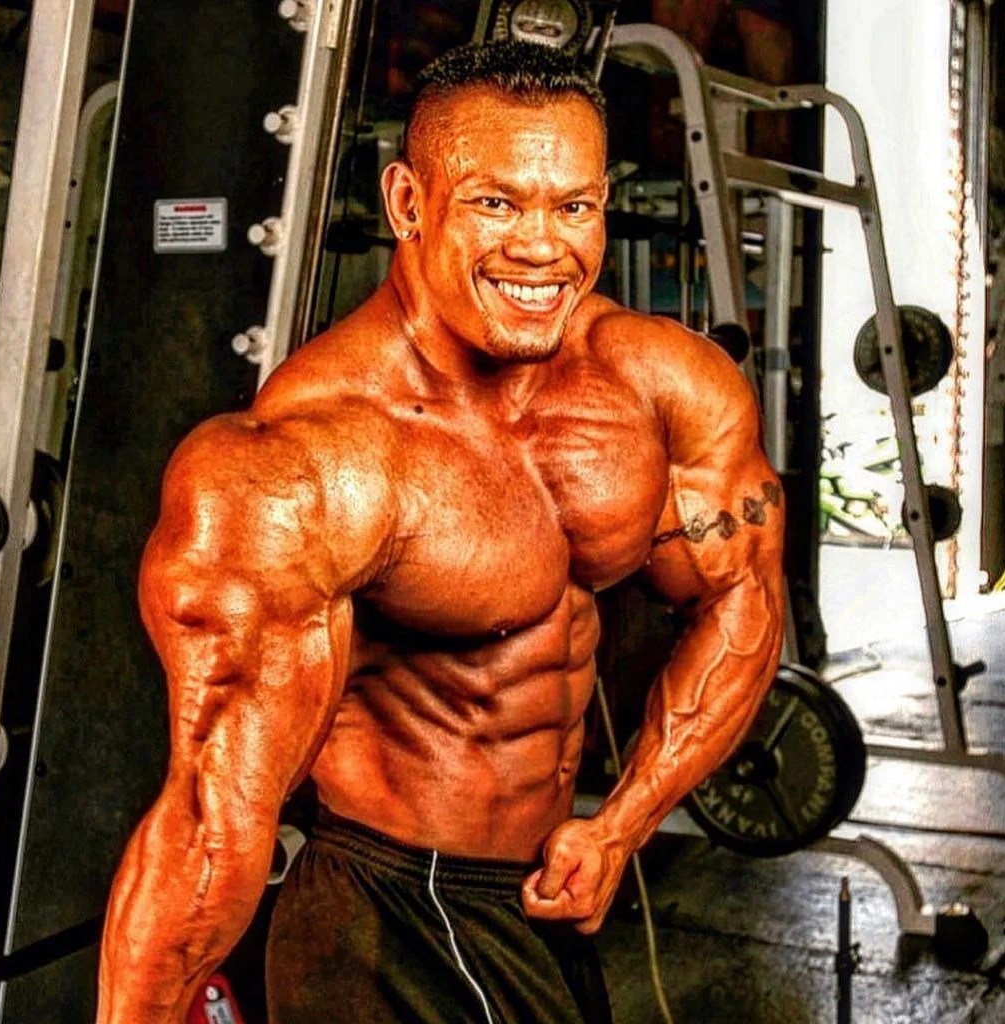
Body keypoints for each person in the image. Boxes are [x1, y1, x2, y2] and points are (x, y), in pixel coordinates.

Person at [95, 40, 784, 1024]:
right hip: (387, 914)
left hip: (542, 900)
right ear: (408, 203)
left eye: (574, 206)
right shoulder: (305, 468)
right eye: (496, 203)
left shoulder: (659, 383)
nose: (542, 248)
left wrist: (622, 826)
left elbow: (739, 597)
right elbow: (209, 826)